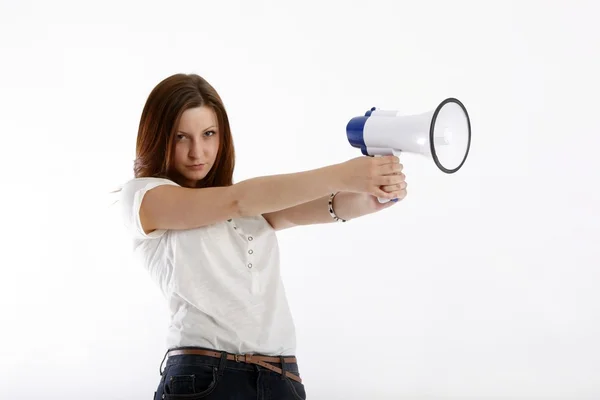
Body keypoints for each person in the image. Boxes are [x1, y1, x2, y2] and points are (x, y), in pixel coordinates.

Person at [117, 73, 407, 399]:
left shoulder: (251, 208)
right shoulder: (145, 197)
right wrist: (342, 173)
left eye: (209, 134)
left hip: (281, 378)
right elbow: (238, 200)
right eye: (182, 137)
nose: (197, 151)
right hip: (205, 378)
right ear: (158, 138)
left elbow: (331, 205)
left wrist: (376, 191)